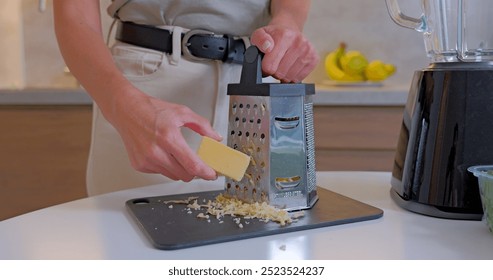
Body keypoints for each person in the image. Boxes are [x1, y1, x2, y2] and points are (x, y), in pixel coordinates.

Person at [53, 0, 319, 196]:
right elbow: (75, 13)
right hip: (146, 89)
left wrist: (288, 23)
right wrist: (124, 107)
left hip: (257, 81)